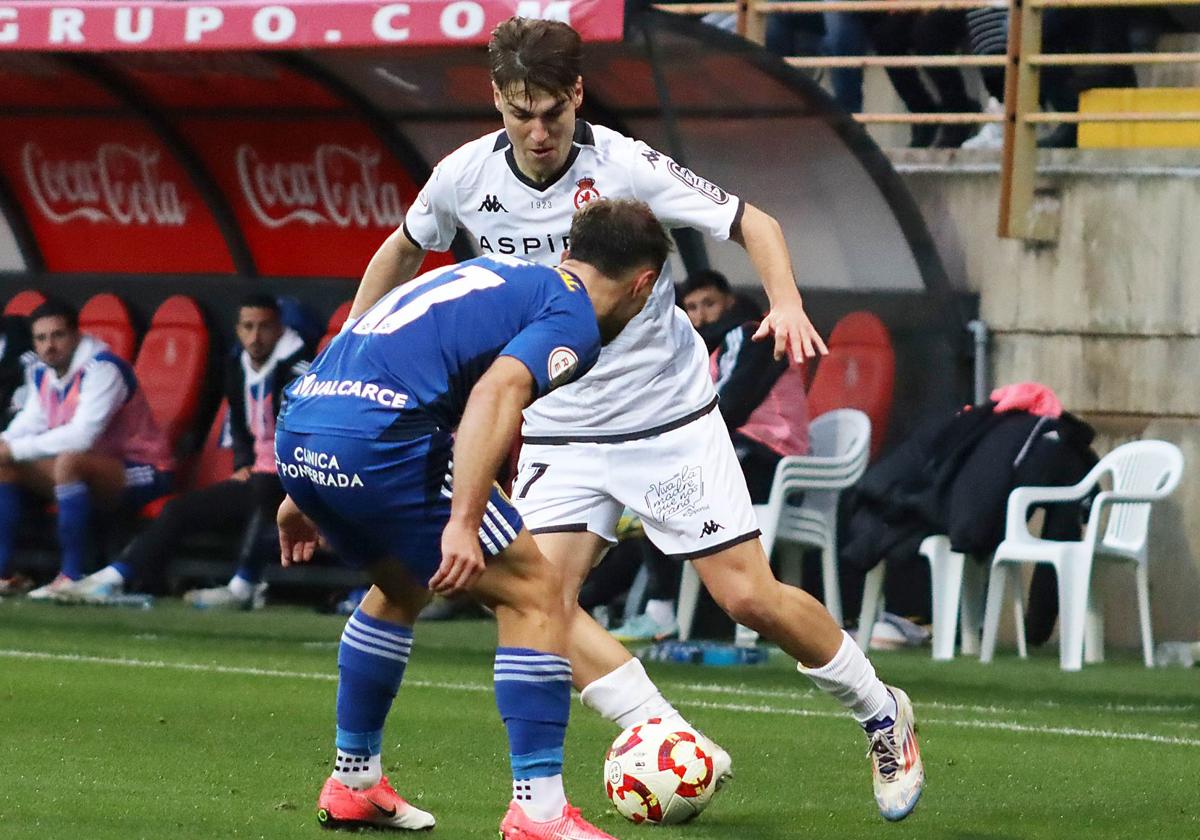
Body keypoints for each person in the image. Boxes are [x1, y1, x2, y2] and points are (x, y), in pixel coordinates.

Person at [353, 16, 924, 822]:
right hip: (560, 424)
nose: (539, 130)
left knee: (749, 599)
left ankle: (880, 712)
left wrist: (788, 304)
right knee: (533, 598)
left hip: (667, 419)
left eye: (553, 110)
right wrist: (351, 342)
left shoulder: (622, 165)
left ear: (577, 94)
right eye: (521, 112)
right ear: (497, 100)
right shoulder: (461, 177)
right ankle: (656, 728)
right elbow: (402, 248)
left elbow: (755, 223)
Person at [274, 199, 666, 838]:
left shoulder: (493, 277)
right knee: (536, 592)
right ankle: (538, 814)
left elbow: (363, 336)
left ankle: (354, 783)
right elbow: (497, 393)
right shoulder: (574, 317)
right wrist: (463, 521)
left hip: (306, 427)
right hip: (382, 439)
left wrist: (300, 491)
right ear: (643, 285)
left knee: (402, 584)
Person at [57, 295, 310, 607]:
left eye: (264, 327)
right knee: (179, 510)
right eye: (248, 327)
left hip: (294, 480)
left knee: (266, 492)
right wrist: (243, 461)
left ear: (280, 329)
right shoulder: (237, 364)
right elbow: (241, 426)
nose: (255, 336)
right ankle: (117, 577)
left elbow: (306, 430)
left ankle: (243, 588)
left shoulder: (301, 367)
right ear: (238, 329)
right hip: (259, 476)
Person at [612, 269, 813, 641]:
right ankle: (654, 604)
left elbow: (727, 406)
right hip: (738, 451)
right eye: (692, 307)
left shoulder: (750, 333)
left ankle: (658, 601)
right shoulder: (704, 345)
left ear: (729, 303)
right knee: (663, 479)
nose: (701, 315)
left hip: (770, 455)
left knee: (669, 479)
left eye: (709, 304)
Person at [0, 299, 173, 598]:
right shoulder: (42, 373)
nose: (49, 346)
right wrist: (5, 445)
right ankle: (3, 573)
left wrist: (14, 449)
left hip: (144, 471)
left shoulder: (103, 369)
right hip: (87, 472)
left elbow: (83, 436)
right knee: (5, 464)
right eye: (41, 338)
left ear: (77, 335)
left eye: (58, 335)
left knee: (69, 462)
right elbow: (30, 422)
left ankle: (71, 575)